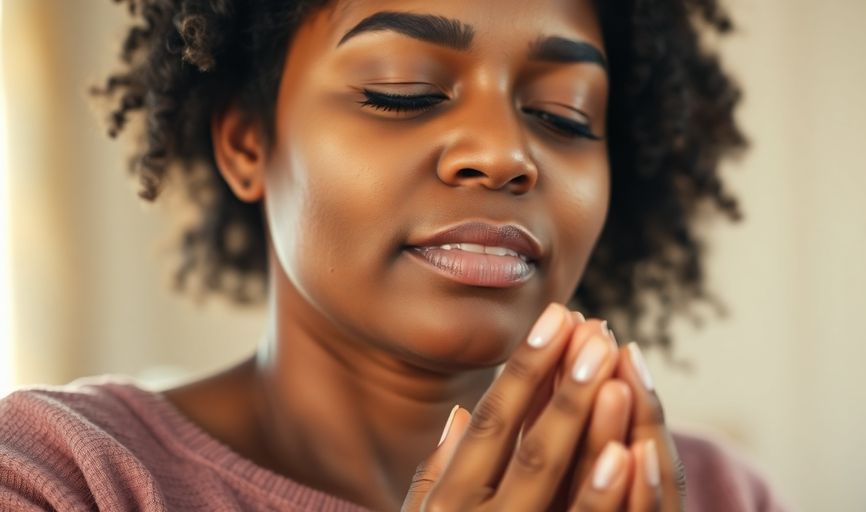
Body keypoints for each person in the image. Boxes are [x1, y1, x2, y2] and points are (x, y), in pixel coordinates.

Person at [0, 0, 786, 510]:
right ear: (246, 140)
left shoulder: (714, 494)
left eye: (565, 115)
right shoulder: (60, 478)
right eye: (403, 90)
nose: (505, 153)